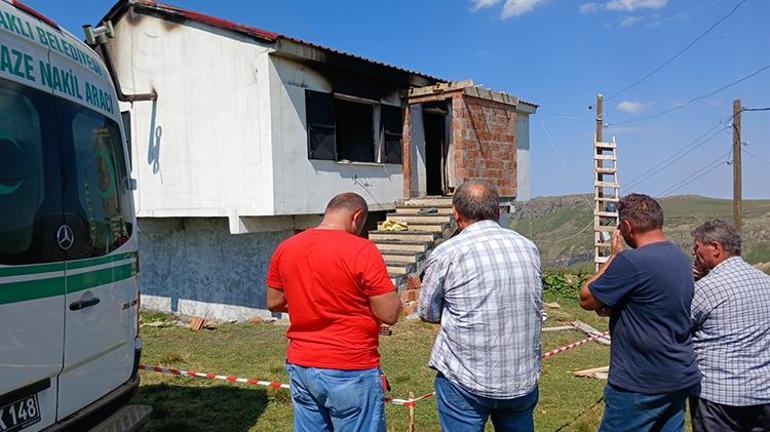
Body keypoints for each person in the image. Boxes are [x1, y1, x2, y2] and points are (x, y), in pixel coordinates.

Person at [266, 192, 401, 432]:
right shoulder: (362, 249)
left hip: (302, 364)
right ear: (357, 216)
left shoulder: (286, 247)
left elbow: (274, 302)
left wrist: (310, 303)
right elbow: (389, 314)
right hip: (350, 365)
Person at [418, 180, 543, 432]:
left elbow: (428, 312)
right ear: (497, 211)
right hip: (520, 378)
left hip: (466, 379)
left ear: (456, 213)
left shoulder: (447, 253)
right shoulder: (528, 247)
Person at [579, 193, 700, 432]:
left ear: (626, 226)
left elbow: (586, 298)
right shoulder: (680, 258)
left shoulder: (631, 262)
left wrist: (614, 256)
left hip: (639, 380)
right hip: (678, 375)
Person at [690, 219, 770, 431]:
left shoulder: (706, 288)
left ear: (715, 248)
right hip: (762, 393)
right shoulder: (765, 282)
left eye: (697, 247)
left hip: (719, 397)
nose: (694, 254)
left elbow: (679, 326)